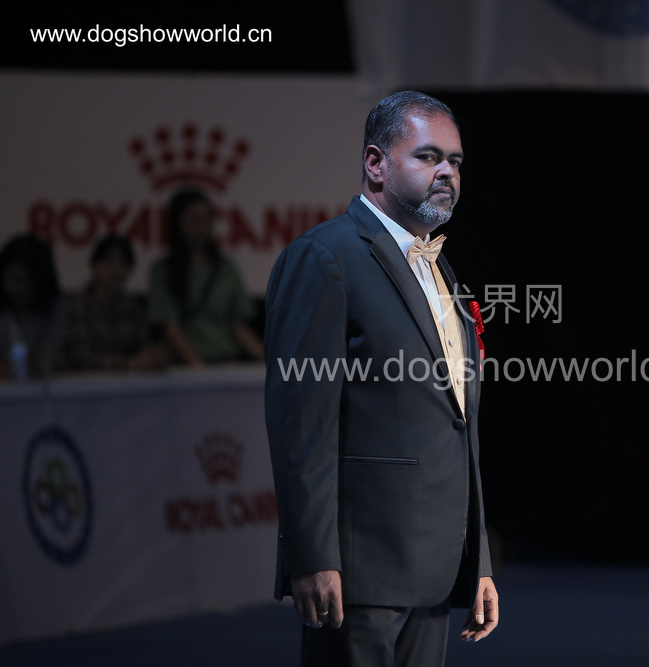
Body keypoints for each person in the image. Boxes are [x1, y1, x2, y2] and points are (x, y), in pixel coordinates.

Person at [264, 91, 498, 666]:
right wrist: (312, 556)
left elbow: (457, 426)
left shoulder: (439, 267)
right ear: (376, 163)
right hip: (358, 570)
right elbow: (302, 426)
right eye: (428, 156)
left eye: (455, 161)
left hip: (435, 567)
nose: (447, 172)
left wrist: (478, 562)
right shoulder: (326, 257)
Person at [148, 189, 263, 367]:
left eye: (207, 219)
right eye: (194, 219)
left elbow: (237, 325)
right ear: (177, 223)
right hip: (184, 367)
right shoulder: (163, 271)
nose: (202, 227)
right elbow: (170, 327)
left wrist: (266, 360)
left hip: (225, 361)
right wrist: (197, 365)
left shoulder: (225, 268)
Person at [60, 235, 167, 372]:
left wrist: (153, 358)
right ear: (94, 266)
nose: (116, 269)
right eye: (108, 261)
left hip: (128, 382)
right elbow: (79, 358)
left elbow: (143, 345)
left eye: (123, 262)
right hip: (84, 382)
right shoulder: (77, 304)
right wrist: (127, 364)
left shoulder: (132, 306)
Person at [0, 234, 66, 380]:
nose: (14, 287)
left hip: (37, 388)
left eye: (21, 279)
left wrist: (19, 366)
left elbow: (46, 359)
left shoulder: (53, 304)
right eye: (11, 278)